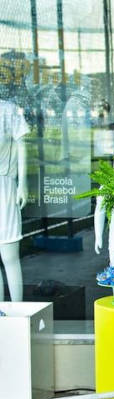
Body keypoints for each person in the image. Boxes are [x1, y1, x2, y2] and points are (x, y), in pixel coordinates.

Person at [0, 100, 28, 301]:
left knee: (10, 255)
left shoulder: (8, 110)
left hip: (5, 187)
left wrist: (22, 183)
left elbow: (21, 145)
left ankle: (18, 310)